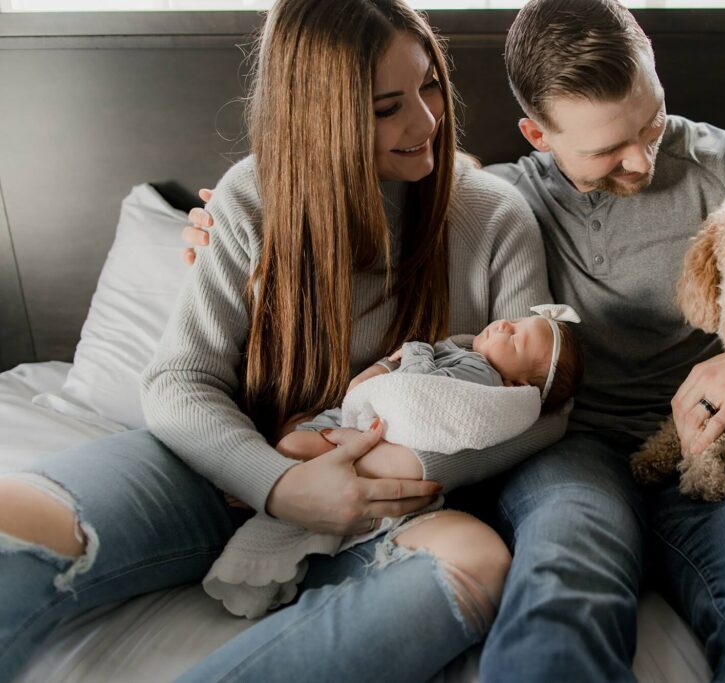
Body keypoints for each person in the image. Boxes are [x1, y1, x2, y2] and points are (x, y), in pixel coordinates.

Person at [182, 1, 725, 682]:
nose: (644, 158)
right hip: (571, 454)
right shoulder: (498, 203)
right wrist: (232, 221)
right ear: (538, 134)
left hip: (723, 442)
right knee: (563, 586)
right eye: (604, 150)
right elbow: (369, 214)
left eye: (650, 119)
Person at [0, 1, 567, 681]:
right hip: (226, 470)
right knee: (13, 519)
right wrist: (282, 485)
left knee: (478, 564)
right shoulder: (253, 198)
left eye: (430, 84)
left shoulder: (496, 216)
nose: (426, 121)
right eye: (387, 106)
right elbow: (180, 381)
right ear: (317, 117)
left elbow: (545, 408)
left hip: (386, 507)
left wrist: (376, 470)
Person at [204, 306, 584, 620]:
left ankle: (264, 486)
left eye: (515, 338)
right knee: (294, 444)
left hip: (369, 433)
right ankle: (268, 486)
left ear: (518, 387)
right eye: (514, 322)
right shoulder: (466, 354)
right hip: (350, 425)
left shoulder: (480, 374)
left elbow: (417, 389)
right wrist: (388, 365)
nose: (504, 324)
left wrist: (416, 349)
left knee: (292, 445)